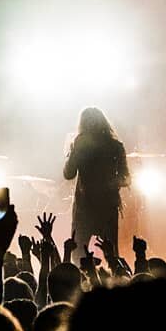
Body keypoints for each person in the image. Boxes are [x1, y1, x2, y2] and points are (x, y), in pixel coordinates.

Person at [62, 107, 129, 259]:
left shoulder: (80, 143)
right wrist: (110, 184)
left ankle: (76, 280)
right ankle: (117, 280)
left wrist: (72, 151)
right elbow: (127, 178)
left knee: (78, 251)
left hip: (84, 207)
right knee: (111, 254)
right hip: (107, 206)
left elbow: (68, 174)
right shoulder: (116, 146)